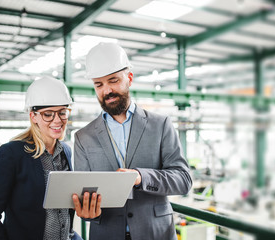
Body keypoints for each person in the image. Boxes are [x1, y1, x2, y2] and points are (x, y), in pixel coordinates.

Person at [72, 42, 192, 240]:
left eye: (113, 80)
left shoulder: (160, 125)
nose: (107, 90)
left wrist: (141, 177)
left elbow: (183, 180)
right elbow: (85, 197)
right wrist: (88, 213)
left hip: (155, 233)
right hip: (107, 233)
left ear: (129, 78)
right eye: (99, 84)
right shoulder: (83, 137)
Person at [0, 77, 82, 240]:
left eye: (62, 112)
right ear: (33, 116)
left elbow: (64, 212)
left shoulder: (66, 152)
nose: (57, 120)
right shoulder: (12, 153)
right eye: (48, 114)